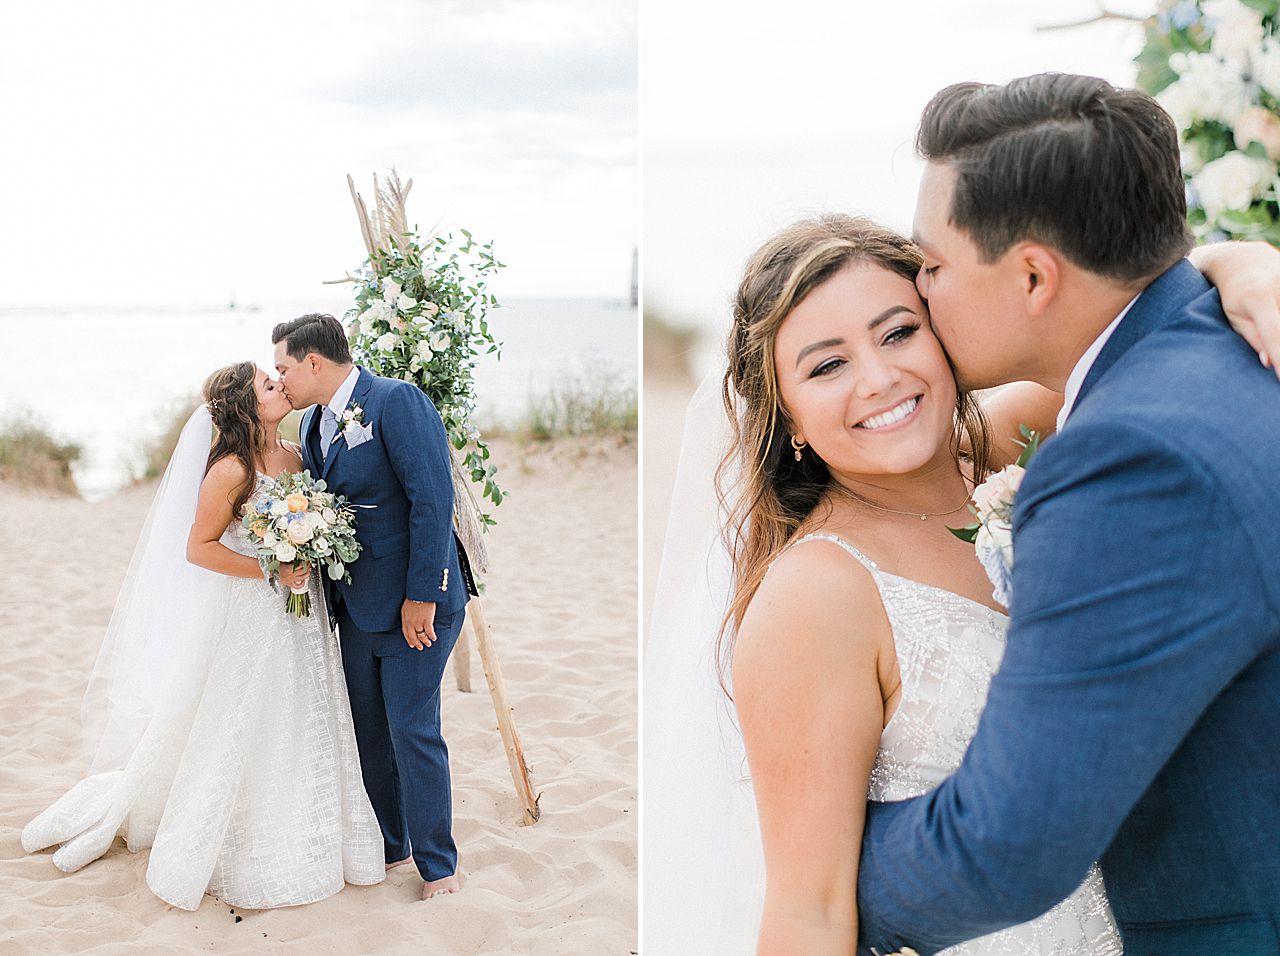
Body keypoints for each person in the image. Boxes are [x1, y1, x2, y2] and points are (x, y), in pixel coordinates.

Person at [850, 74, 1280, 955]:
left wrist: (814, 857)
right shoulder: (1219, 342)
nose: (920, 292)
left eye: (932, 265)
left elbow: (1008, 849)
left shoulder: (1130, 459)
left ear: (1035, 275)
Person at [22, 361, 384, 910]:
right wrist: (272, 569)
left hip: (302, 613)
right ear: (245, 405)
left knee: (303, 708)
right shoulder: (231, 470)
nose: (279, 385)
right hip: (254, 612)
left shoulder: (292, 453)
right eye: (267, 384)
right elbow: (199, 547)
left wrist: (310, 550)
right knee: (247, 715)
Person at [272, 313, 471, 902]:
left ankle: (439, 868)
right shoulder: (309, 425)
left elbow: (432, 502)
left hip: (417, 604)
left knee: (413, 729)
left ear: (314, 362)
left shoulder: (395, 401)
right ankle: (391, 843)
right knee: (371, 734)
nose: (280, 381)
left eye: (283, 368)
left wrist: (423, 595)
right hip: (355, 609)